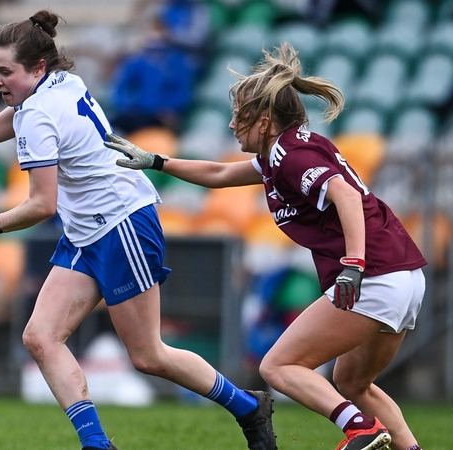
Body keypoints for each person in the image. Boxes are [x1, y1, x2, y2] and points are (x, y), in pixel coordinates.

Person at [0, 9, 277, 450]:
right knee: (40, 336)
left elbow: (42, 204)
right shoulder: (59, 85)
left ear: (38, 67)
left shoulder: (37, 115)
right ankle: (96, 443)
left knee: (149, 356)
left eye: (6, 72)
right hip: (88, 230)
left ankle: (248, 407)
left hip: (121, 223)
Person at [106, 42, 427, 450]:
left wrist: (354, 263)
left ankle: (360, 429)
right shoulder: (281, 153)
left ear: (264, 120)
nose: (230, 126)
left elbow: (344, 195)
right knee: (351, 382)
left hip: (374, 275)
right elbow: (219, 172)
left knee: (278, 366)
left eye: (238, 117)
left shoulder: (292, 155)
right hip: (403, 275)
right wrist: (155, 161)